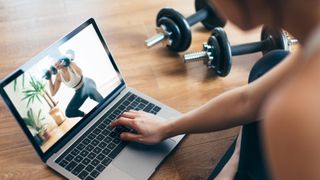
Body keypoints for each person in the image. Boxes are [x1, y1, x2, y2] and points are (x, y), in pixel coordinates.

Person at [111, 0, 320, 179]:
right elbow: (248, 100)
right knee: (272, 63)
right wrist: (167, 127)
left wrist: (230, 171)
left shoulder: (295, 112)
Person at [49, 51, 104, 118]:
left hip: (87, 83)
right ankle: (86, 116)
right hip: (79, 92)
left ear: (60, 60)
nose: (54, 64)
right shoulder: (58, 76)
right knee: (69, 112)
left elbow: (80, 73)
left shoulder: (71, 65)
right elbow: (53, 93)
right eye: (53, 62)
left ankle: (105, 103)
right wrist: (49, 78)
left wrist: (70, 64)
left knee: (90, 91)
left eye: (55, 61)